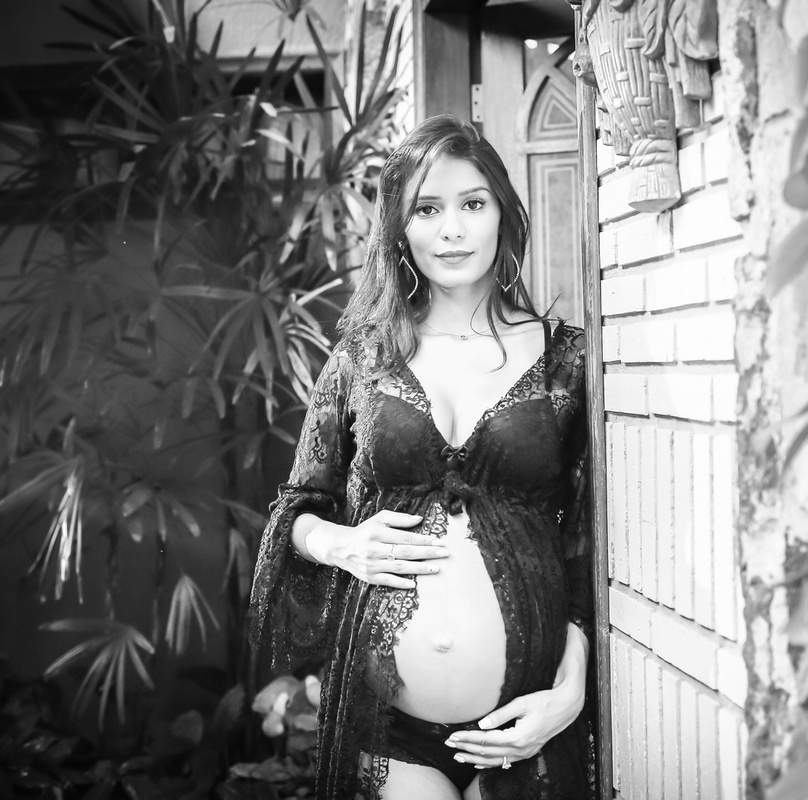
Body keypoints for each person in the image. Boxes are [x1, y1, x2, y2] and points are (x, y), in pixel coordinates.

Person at [247, 114, 595, 800]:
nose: (452, 230)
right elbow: (296, 511)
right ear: (400, 229)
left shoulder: (568, 360)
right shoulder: (363, 358)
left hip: (527, 714)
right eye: (427, 209)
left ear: (503, 213)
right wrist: (344, 545)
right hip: (388, 727)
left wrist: (572, 687)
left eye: (473, 204)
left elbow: (584, 543)